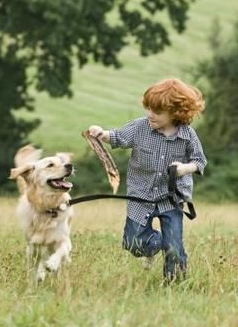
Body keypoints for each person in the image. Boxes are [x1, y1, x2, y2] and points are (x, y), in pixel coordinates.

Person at [89, 78, 207, 282]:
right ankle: (163, 244)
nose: (150, 115)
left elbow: (200, 162)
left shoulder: (188, 135)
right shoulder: (140, 127)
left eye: (157, 112)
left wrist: (184, 168)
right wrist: (102, 134)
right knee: (133, 243)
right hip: (140, 196)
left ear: (176, 112)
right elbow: (117, 137)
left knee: (175, 252)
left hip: (171, 199)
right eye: (148, 109)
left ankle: (175, 283)